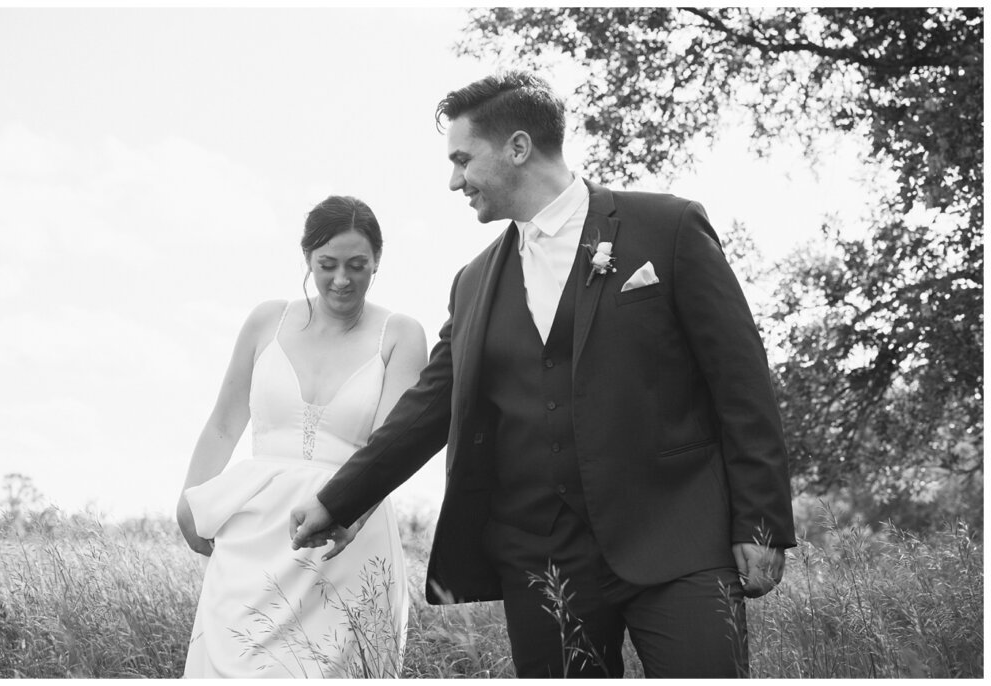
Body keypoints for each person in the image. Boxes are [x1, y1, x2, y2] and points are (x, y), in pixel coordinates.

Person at [290, 71, 796, 678]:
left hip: (679, 539)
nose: (454, 181)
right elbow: (427, 409)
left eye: (462, 159)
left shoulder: (668, 228)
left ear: (518, 147)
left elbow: (741, 384)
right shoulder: (472, 283)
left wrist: (762, 523)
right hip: (542, 560)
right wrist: (338, 500)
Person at [176, 196, 428, 678]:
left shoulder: (400, 335)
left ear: (377, 261)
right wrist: (189, 504)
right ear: (307, 256)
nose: (342, 279)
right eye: (327, 264)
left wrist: (346, 515)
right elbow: (225, 423)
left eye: (358, 265)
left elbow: (389, 449)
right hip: (252, 538)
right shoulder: (266, 321)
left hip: (344, 540)